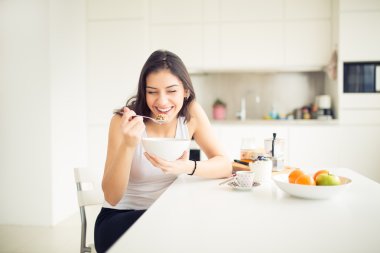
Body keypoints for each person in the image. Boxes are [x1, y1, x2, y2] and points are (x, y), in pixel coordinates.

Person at [94, 50, 232, 252]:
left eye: (171, 91)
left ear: (185, 91)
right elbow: (112, 196)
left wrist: (187, 166)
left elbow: (225, 164)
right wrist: (129, 144)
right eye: (152, 92)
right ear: (144, 91)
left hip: (167, 214)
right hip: (119, 220)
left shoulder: (191, 113)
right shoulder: (123, 122)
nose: (162, 101)